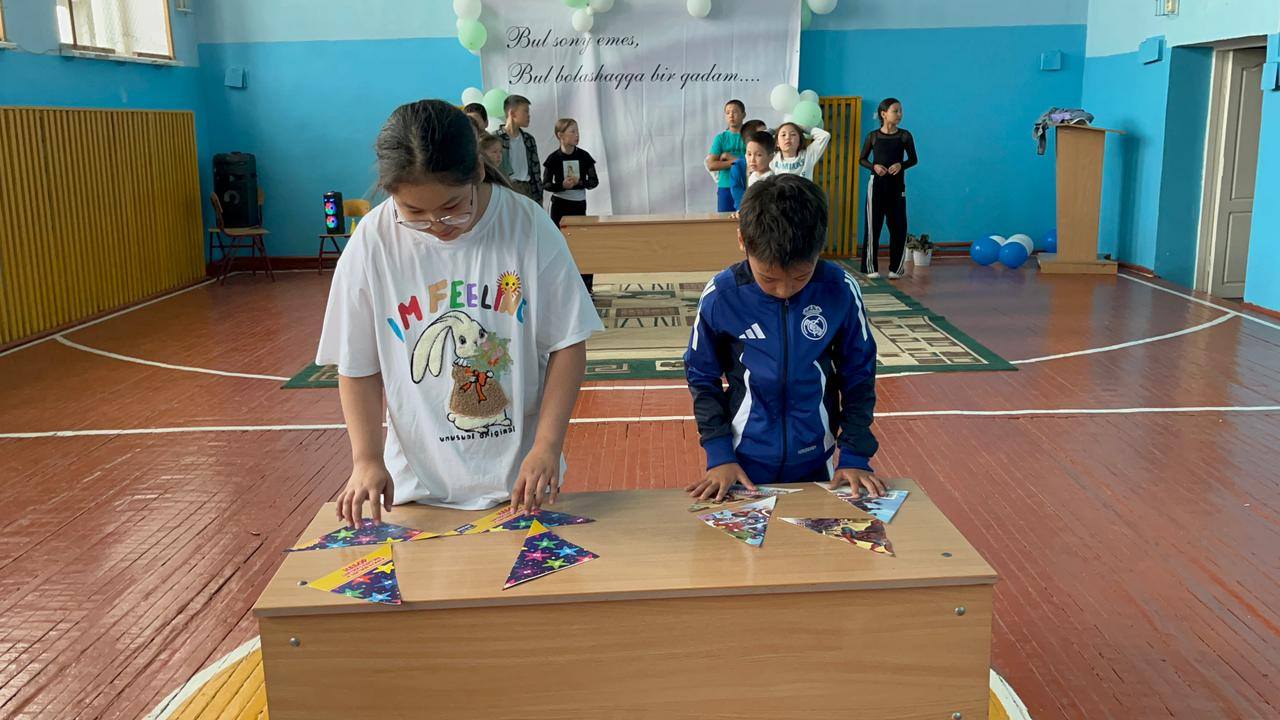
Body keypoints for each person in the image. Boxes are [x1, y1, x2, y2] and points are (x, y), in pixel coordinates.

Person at [316, 99, 602, 526]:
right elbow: (356, 364)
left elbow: (568, 343)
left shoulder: (526, 226)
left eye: (452, 207)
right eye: (414, 212)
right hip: (413, 492)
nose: (437, 224)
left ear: (479, 172)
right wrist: (366, 459)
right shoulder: (372, 243)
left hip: (520, 487)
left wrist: (546, 445)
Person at [683, 174, 884, 501]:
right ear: (742, 241)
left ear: (820, 246)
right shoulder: (722, 296)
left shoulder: (840, 290)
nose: (784, 290)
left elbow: (859, 374)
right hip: (742, 462)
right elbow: (701, 375)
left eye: (801, 276)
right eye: (768, 278)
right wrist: (719, 453)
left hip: (815, 459)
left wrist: (854, 455)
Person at [858, 97, 918, 279]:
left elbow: (913, 159)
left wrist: (901, 165)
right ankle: (870, 268)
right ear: (883, 114)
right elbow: (862, 159)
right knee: (873, 227)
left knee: (898, 226)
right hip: (876, 186)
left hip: (897, 187)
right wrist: (874, 166)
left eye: (900, 111)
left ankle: (896, 269)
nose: (899, 114)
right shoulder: (873, 136)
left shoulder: (905, 136)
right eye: (895, 111)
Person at [542, 118, 600, 293]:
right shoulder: (553, 158)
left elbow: (594, 181)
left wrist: (579, 182)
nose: (577, 135)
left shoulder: (584, 156)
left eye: (577, 131)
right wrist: (562, 186)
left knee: (582, 244)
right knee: (558, 243)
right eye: (572, 131)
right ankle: (558, 285)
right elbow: (546, 184)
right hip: (559, 205)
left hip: (578, 204)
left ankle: (586, 286)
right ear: (560, 135)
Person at [497, 95, 543, 205]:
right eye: (525, 111)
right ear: (512, 113)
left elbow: (536, 170)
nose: (529, 115)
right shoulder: (496, 139)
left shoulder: (529, 139)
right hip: (505, 190)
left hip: (527, 190)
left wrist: (539, 196)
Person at [705, 99, 746, 212]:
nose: (731, 115)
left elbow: (754, 162)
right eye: (727, 113)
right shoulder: (720, 138)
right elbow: (711, 165)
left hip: (747, 185)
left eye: (735, 112)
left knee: (747, 219)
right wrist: (735, 162)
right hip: (725, 186)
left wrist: (728, 157)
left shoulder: (750, 137)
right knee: (724, 220)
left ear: (743, 115)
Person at [729, 119, 768, 210]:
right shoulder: (738, 167)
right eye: (763, 134)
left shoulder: (774, 160)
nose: (768, 137)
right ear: (749, 140)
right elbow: (739, 200)